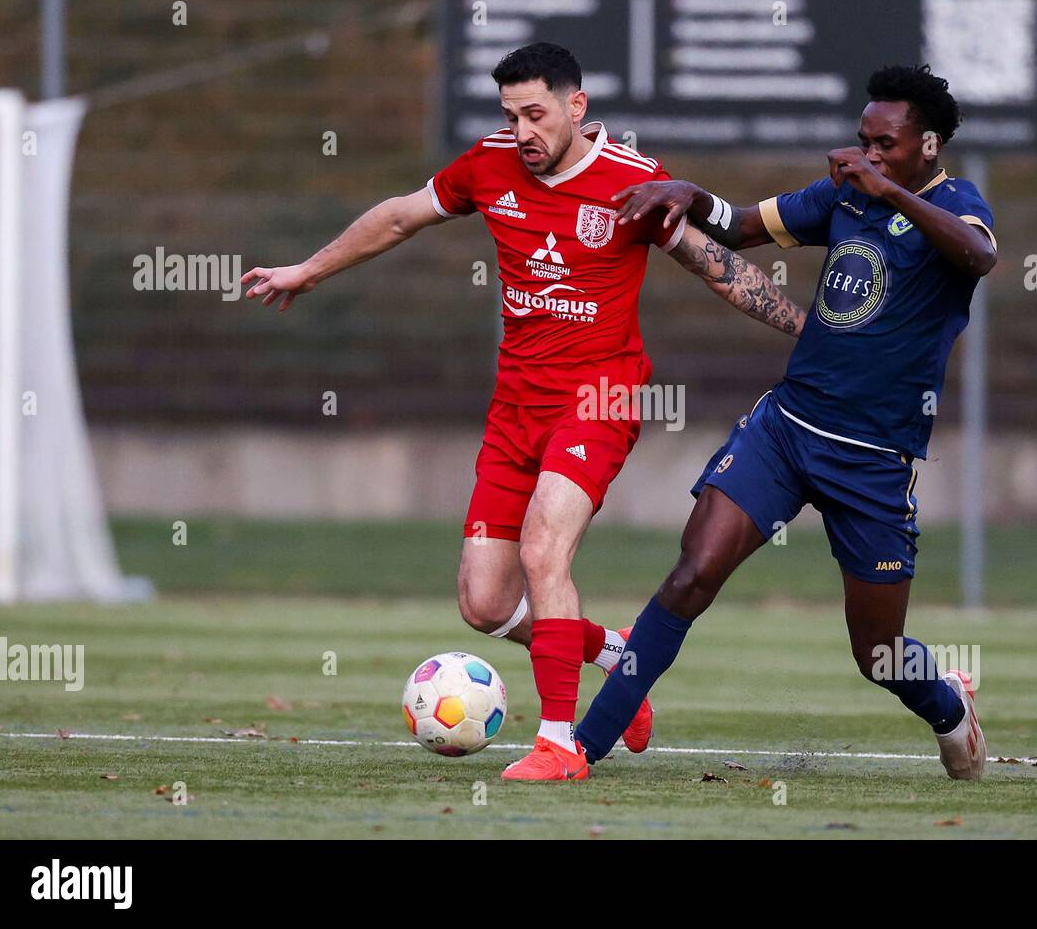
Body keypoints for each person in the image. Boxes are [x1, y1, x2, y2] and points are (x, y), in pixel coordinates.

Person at [240, 42, 804, 781]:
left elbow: (714, 265)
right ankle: (613, 654)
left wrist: (811, 331)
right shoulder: (490, 164)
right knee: (484, 602)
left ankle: (562, 744)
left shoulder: (635, 182)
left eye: (535, 113)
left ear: (577, 107)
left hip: (599, 398)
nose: (523, 131)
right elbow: (401, 216)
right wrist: (308, 269)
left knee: (545, 547)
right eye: (510, 115)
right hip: (515, 407)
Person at [574, 64, 996, 780]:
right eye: (862, 141)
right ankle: (580, 747)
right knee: (692, 573)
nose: (867, 155)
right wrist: (690, 195)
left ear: (927, 146)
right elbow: (739, 228)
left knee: (876, 654)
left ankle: (947, 702)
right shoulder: (842, 197)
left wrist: (887, 190)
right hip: (788, 428)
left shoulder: (955, 202)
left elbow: (980, 256)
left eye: (885, 144)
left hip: (873, 460)